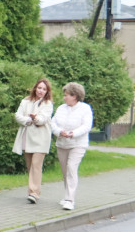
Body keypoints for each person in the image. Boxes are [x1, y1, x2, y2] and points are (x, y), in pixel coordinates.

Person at [51, 82, 94, 211]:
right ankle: (66, 195)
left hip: (78, 144)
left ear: (75, 96)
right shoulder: (61, 108)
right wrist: (59, 132)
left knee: (71, 168)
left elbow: (86, 126)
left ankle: (70, 200)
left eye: (67, 95)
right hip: (62, 144)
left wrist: (73, 134)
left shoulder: (85, 108)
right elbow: (53, 123)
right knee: (65, 171)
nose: (64, 98)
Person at [12, 79, 54, 204]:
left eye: (44, 89)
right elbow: (18, 116)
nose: (41, 91)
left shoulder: (48, 104)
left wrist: (35, 118)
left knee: (36, 166)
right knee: (30, 166)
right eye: (39, 88)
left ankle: (34, 193)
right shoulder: (25, 101)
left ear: (47, 92)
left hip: (41, 139)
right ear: (35, 88)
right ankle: (32, 191)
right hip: (27, 138)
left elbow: (43, 120)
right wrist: (28, 120)